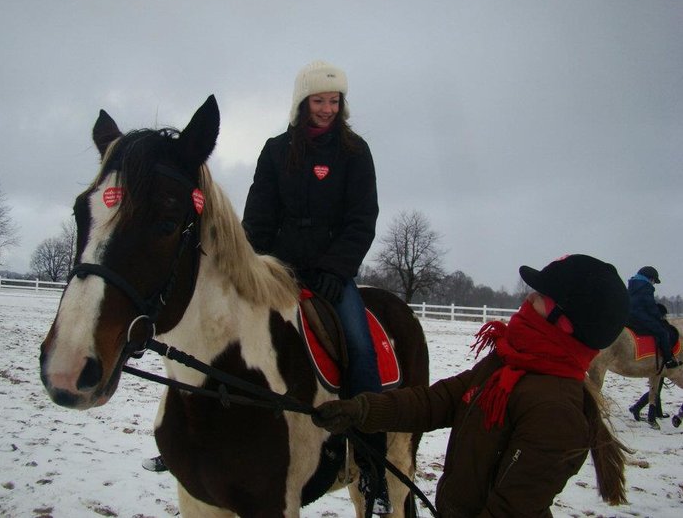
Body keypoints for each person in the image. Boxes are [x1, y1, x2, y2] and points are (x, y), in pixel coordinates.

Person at [312, 254, 631, 517]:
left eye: (542, 296)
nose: (528, 297)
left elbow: (508, 511)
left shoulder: (555, 413)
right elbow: (436, 401)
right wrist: (361, 409)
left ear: (565, 323)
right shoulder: (507, 363)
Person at [241, 60, 389, 513]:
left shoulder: (355, 151)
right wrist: (259, 264)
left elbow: (362, 219)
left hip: (332, 274)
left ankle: (372, 465)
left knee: (362, 352)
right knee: (227, 329)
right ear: (302, 102)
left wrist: (336, 266)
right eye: (319, 100)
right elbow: (258, 216)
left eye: (334, 100)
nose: (327, 108)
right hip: (278, 270)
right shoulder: (275, 150)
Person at [627, 266, 680, 369]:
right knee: (663, 333)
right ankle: (668, 360)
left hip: (629, 318)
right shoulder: (645, 287)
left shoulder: (632, 285)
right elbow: (650, 306)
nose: (653, 283)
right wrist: (659, 315)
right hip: (641, 317)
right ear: (650, 278)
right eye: (654, 281)